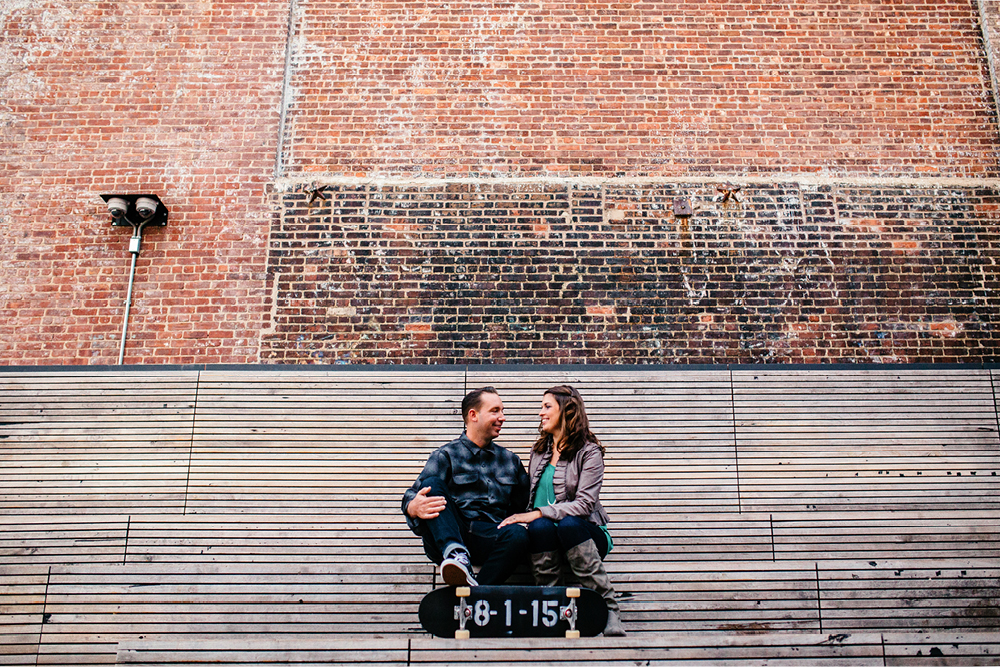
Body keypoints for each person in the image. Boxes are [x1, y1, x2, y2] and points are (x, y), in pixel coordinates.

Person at [499, 385, 626, 636]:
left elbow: (584, 505)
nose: (540, 413)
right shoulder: (539, 451)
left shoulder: (589, 453)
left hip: (584, 532)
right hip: (546, 535)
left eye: (547, 407)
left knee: (565, 524)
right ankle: (553, 607)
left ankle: (610, 610)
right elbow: (530, 499)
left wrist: (538, 512)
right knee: (539, 526)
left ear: (567, 411)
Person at [403, 386, 531, 587]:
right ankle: (456, 554)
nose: (503, 417)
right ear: (473, 415)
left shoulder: (511, 461)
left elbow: (523, 506)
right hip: (451, 532)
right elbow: (412, 495)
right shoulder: (445, 455)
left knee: (519, 535)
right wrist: (413, 507)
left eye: (502, 411)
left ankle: (477, 591)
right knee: (431, 485)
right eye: (495, 410)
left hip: (491, 534)